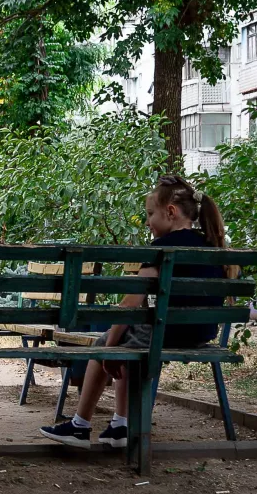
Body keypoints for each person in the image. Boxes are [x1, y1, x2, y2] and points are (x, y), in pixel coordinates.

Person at [40, 175, 231, 448]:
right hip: (200, 332)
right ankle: (120, 426)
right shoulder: (212, 245)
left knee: (103, 345)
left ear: (171, 212)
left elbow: (130, 302)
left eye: (150, 214)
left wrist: (111, 344)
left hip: (167, 332)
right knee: (131, 339)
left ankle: (79, 426)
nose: (147, 222)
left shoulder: (162, 249)